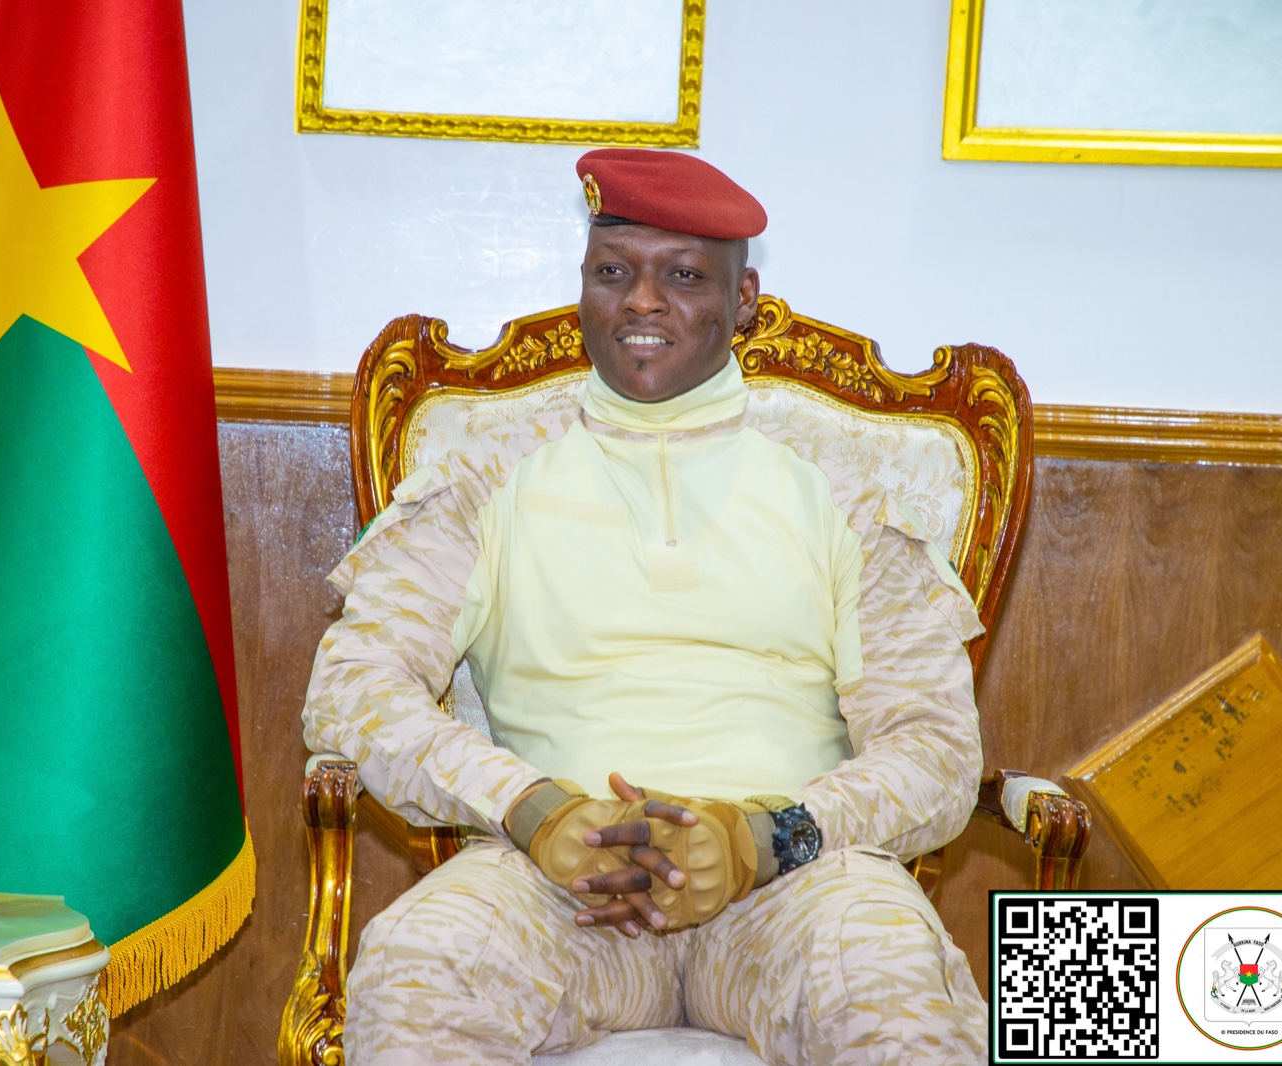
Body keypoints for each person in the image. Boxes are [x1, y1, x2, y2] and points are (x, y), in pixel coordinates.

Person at [303, 148, 989, 1065]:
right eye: (614, 273)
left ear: (743, 302)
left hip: (789, 885)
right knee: (421, 969)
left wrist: (760, 839)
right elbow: (354, 692)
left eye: (685, 277)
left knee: (888, 978)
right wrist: (531, 809)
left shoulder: (847, 492)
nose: (643, 303)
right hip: (556, 884)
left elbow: (935, 748)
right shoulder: (483, 477)